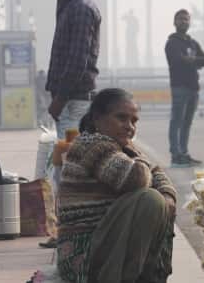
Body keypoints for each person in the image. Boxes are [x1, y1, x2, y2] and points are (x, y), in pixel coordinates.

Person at [57, 88, 176, 283]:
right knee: (150, 200)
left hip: (105, 245)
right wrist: (137, 156)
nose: (129, 127)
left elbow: (157, 173)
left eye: (134, 121)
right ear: (97, 119)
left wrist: (168, 196)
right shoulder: (90, 145)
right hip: (84, 256)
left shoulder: (119, 148)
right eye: (121, 118)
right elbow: (137, 178)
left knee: (160, 203)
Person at [44, 0, 101, 141]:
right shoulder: (70, 4)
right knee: (67, 152)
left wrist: (59, 100)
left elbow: (77, 61)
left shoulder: (80, 8)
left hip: (73, 101)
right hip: (70, 99)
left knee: (69, 153)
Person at [164, 9, 204, 167]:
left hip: (193, 87)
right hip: (179, 86)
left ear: (190, 22)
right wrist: (194, 61)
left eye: (186, 19)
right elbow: (178, 60)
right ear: (174, 22)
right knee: (176, 121)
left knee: (187, 123)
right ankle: (175, 156)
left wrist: (191, 60)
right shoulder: (171, 43)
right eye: (180, 19)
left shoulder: (192, 42)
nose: (183, 21)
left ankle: (184, 153)